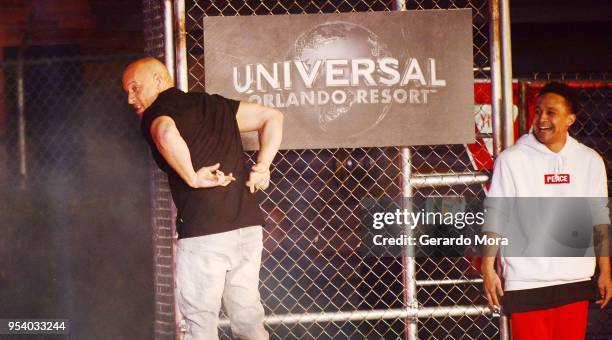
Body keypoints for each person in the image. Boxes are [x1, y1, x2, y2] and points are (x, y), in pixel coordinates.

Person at [122, 57, 283, 340]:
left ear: (159, 80)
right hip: (247, 226)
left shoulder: (157, 112)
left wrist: (192, 177)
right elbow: (273, 116)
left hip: (204, 233)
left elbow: (165, 132)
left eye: (135, 88)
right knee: (247, 319)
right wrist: (263, 165)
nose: (130, 98)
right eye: (127, 92)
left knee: (200, 324)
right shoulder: (215, 105)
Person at [481, 82, 611, 339]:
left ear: (570, 119)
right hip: (526, 281)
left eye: (551, 112)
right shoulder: (512, 159)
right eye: (538, 111)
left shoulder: (590, 160)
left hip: (574, 281)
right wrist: (488, 267)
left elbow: (599, 218)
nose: (541, 119)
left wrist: (605, 270)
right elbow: (496, 214)